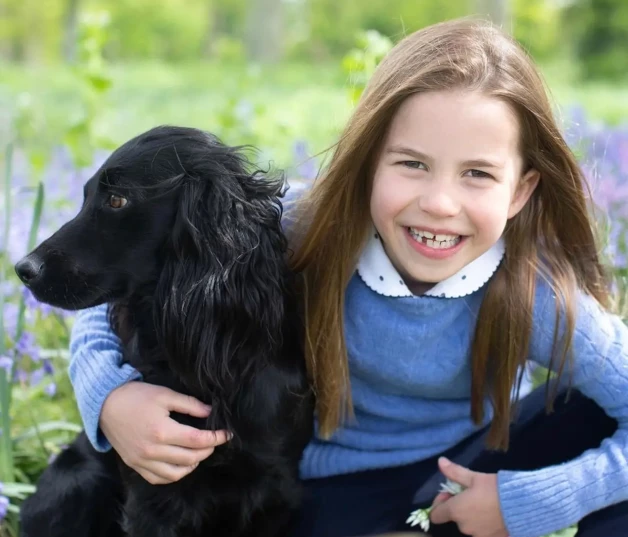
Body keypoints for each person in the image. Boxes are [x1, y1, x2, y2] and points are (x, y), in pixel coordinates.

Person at [67, 17, 628, 537]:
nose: (438, 203)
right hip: (330, 492)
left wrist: (528, 500)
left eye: (478, 174)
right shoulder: (305, 229)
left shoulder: (534, 292)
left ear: (521, 191)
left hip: (470, 465)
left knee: (600, 411)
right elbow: (120, 276)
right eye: (412, 163)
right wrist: (110, 398)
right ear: (367, 164)